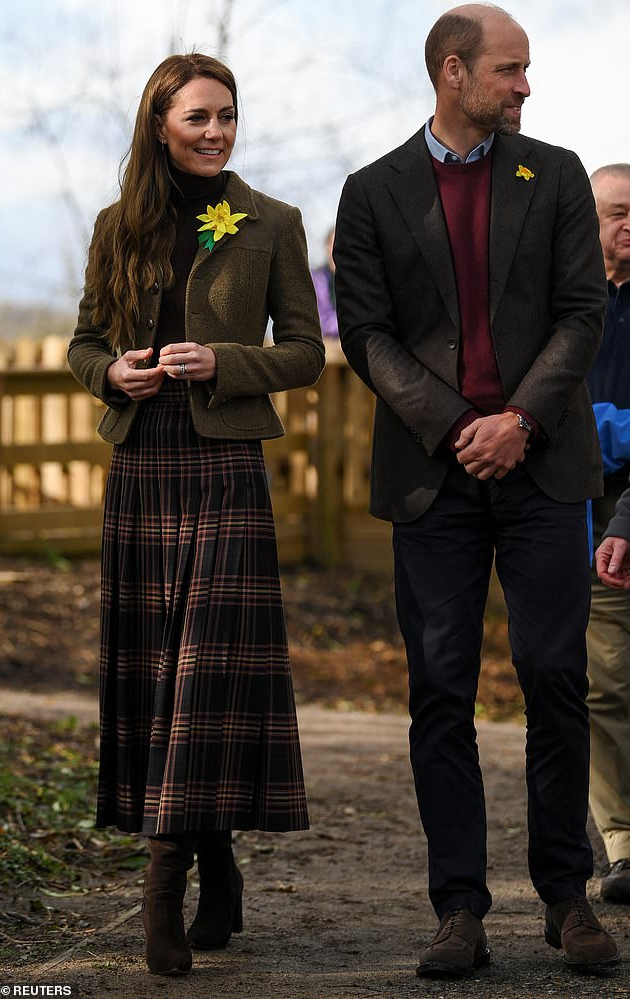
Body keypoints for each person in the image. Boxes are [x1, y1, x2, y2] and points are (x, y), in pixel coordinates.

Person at [333, 2, 620, 978]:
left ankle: (565, 897)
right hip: (432, 478)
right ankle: (457, 908)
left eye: (526, 69)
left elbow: (581, 313)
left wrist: (516, 422)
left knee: (553, 680)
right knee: (439, 691)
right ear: (452, 74)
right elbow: (366, 335)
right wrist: (459, 427)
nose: (525, 85)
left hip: (543, 468)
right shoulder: (371, 192)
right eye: (509, 69)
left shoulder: (558, 178)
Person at [68, 53, 324, 977]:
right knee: (160, 672)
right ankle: (214, 849)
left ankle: (164, 873)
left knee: (207, 671)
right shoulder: (116, 227)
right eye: (198, 118)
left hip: (224, 470)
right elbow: (84, 339)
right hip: (142, 467)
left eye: (228, 116)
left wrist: (226, 361)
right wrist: (112, 372)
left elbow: (303, 352)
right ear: (160, 125)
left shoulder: (272, 224)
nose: (217, 132)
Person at [587, 163, 630, 904]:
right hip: (583, 520)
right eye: (619, 213)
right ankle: (623, 844)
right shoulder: (568, 304)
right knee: (606, 686)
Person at [311, 227, 339, 338]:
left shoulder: (357, 280)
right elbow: (321, 321)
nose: (337, 250)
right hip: (327, 343)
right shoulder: (317, 280)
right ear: (327, 247)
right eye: (333, 244)